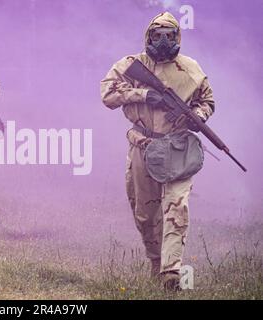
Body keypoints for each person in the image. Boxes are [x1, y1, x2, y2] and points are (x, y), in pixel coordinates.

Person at [100, 12, 214, 290]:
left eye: (169, 35)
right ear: (148, 36)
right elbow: (108, 94)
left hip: (177, 146)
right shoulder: (131, 66)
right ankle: (156, 263)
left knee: (177, 207)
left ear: (178, 37)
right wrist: (143, 95)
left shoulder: (191, 69)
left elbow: (208, 100)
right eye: (157, 35)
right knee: (145, 213)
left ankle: (171, 272)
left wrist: (196, 115)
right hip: (144, 146)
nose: (163, 41)